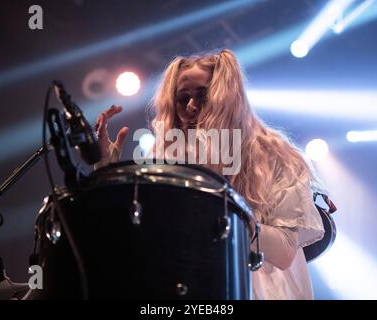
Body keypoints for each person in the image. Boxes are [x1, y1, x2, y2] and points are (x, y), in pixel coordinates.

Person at [94, 49, 325, 300]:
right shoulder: (166, 159)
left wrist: (214, 212)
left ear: (226, 98)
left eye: (202, 97)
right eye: (182, 99)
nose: (191, 107)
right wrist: (107, 172)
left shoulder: (274, 156)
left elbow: (285, 251)